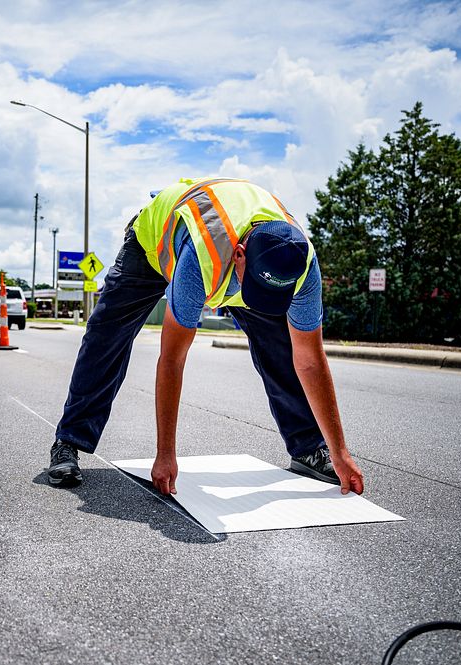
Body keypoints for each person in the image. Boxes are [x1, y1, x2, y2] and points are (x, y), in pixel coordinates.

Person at [47, 177, 365, 496]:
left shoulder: (300, 263)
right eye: (256, 288)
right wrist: (165, 454)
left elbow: (310, 361)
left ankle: (310, 448)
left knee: (282, 347)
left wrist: (340, 452)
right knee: (107, 335)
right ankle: (69, 441)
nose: (258, 299)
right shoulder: (201, 256)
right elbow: (173, 358)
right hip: (152, 246)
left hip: (241, 256)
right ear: (239, 255)